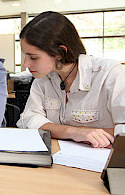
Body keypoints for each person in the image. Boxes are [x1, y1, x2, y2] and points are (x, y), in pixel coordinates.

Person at [17, 11, 125, 148]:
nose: (26, 64)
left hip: (103, 162)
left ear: (61, 52)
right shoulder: (43, 80)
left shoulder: (109, 75)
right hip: (59, 157)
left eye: (33, 57)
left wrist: (55, 129)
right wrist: (73, 132)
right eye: (25, 55)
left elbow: (122, 133)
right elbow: (28, 120)